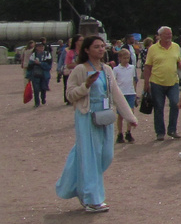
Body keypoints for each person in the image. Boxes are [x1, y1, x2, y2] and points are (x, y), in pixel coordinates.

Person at [55, 35, 138, 212]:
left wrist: (130, 117)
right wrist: (85, 85)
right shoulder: (79, 70)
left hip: (106, 116)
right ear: (86, 50)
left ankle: (81, 185)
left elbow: (116, 94)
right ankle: (92, 199)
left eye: (102, 46)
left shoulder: (107, 70)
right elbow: (70, 95)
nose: (101, 49)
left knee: (105, 156)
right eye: (96, 47)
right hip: (86, 116)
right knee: (90, 156)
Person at [142, 26, 181, 140]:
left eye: (170, 34)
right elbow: (148, 66)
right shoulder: (153, 49)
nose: (169, 36)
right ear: (160, 35)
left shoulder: (176, 47)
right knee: (159, 107)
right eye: (166, 34)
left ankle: (172, 129)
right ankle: (160, 132)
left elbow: (178, 61)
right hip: (157, 82)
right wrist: (146, 83)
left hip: (173, 81)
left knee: (175, 104)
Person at [112, 47, 138, 144]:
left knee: (130, 113)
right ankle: (120, 133)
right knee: (121, 115)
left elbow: (134, 80)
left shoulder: (132, 68)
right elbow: (114, 82)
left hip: (130, 92)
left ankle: (128, 131)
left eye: (128, 58)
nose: (126, 60)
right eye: (124, 58)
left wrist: (135, 92)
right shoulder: (116, 69)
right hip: (121, 93)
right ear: (120, 58)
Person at [25, 39, 53, 108]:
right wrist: (28, 76)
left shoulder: (47, 54)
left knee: (43, 88)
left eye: (42, 47)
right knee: (36, 89)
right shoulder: (33, 55)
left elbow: (49, 66)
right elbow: (30, 66)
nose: (41, 48)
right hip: (35, 74)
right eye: (39, 47)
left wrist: (40, 63)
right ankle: (37, 102)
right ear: (36, 48)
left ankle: (43, 99)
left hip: (44, 74)